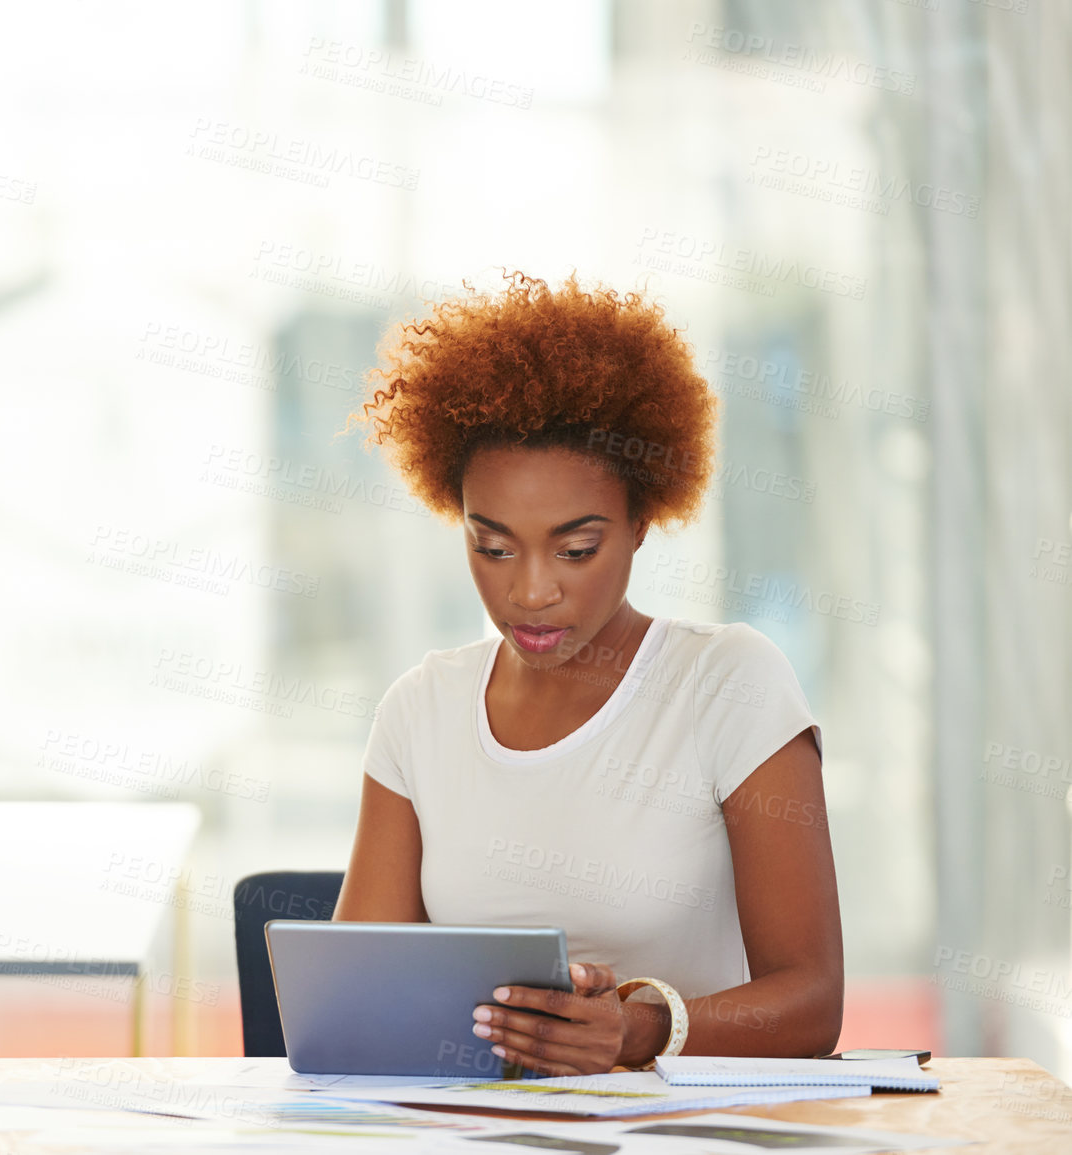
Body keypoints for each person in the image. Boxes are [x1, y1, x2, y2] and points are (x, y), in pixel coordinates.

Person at [334, 270, 842, 1076]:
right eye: (491, 546)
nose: (530, 590)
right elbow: (349, 1009)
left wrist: (638, 1031)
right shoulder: (419, 711)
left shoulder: (730, 685)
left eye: (575, 549)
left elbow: (811, 1001)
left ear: (643, 520)